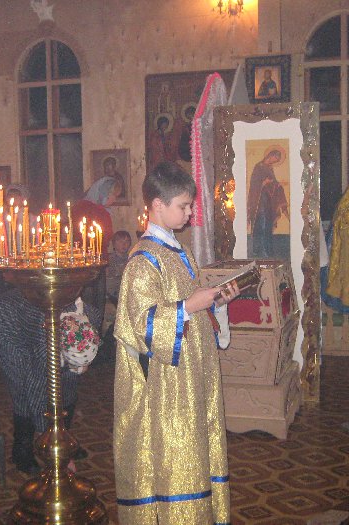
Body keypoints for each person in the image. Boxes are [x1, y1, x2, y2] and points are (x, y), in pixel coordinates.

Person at [113, 161, 239, 524]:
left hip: (191, 377)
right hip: (166, 389)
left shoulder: (179, 252)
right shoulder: (142, 262)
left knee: (197, 448)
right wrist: (189, 305)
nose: (189, 213)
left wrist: (216, 303)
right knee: (174, 455)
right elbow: (139, 327)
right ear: (157, 205)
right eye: (183, 206)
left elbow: (192, 310)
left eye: (190, 206)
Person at [0, 278, 101, 474]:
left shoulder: (90, 315)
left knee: (68, 385)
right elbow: (36, 387)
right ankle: (23, 451)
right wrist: (51, 446)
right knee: (23, 386)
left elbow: (77, 368)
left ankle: (64, 441)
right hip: (8, 327)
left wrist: (78, 366)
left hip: (52, 328)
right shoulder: (44, 333)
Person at [71, 176, 121, 331]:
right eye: (112, 195)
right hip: (85, 262)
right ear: (103, 193)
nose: (114, 199)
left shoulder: (99, 210)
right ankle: (88, 334)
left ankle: (94, 334)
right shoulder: (88, 209)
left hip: (98, 260)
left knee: (98, 299)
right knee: (88, 300)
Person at [247, 148, 288, 257]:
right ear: (271, 155)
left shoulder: (270, 169)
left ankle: (269, 252)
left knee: (268, 226)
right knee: (261, 225)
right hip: (260, 202)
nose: (275, 161)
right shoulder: (258, 167)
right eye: (275, 159)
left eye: (277, 160)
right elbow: (254, 184)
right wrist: (263, 183)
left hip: (268, 202)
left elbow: (273, 182)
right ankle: (260, 251)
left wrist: (278, 184)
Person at [106, 230, 132, 305]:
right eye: (120, 241)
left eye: (127, 241)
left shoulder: (131, 258)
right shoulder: (109, 259)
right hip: (114, 292)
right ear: (114, 244)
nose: (124, 244)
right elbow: (113, 272)